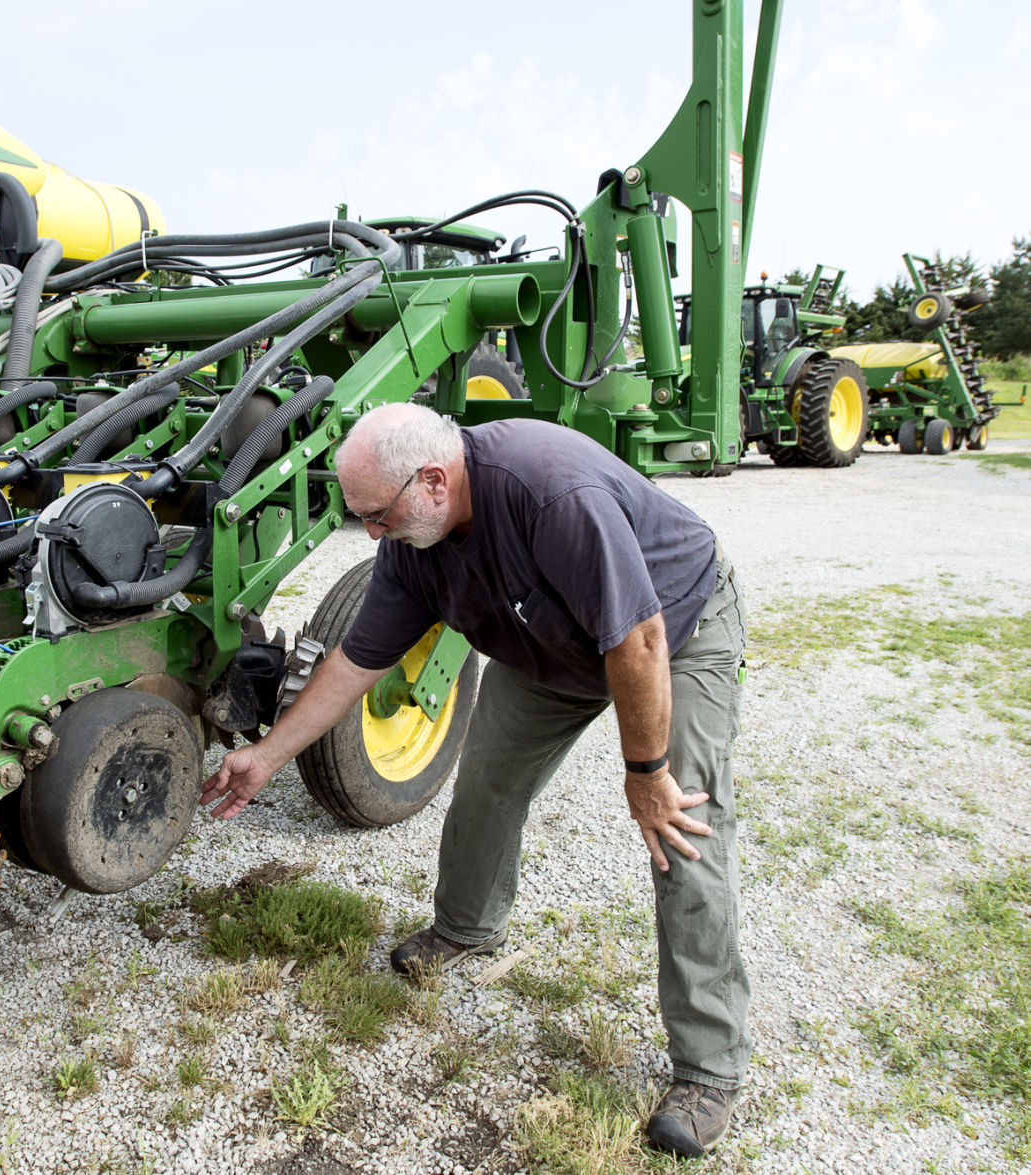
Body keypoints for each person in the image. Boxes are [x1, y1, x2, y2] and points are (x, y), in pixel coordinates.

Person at [199, 403, 749, 1158]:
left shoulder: (549, 490)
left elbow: (638, 636)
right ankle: (466, 925)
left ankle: (708, 1068)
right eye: (359, 516)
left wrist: (646, 772)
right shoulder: (412, 541)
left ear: (432, 480)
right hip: (551, 650)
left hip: (672, 634)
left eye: (375, 515)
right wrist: (264, 756)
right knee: (486, 784)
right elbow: (355, 664)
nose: (369, 532)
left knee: (678, 827)